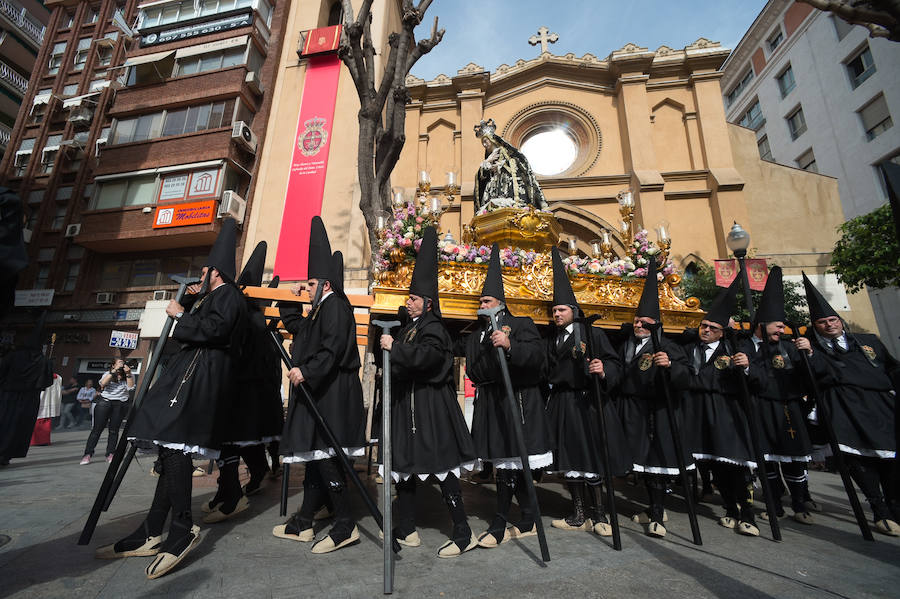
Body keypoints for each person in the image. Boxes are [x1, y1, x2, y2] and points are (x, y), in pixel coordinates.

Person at [94, 218, 246, 579]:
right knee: (168, 447)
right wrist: (193, 301)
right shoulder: (213, 296)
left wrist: (181, 315)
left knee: (174, 444)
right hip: (185, 376)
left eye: (206, 270)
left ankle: (182, 528)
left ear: (217, 273)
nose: (202, 274)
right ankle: (150, 530)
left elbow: (217, 331)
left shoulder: (230, 296)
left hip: (199, 380)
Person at [378, 227, 479, 557]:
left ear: (429, 303)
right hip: (408, 407)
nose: (408, 303)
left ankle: (463, 531)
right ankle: (407, 528)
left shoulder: (434, 327)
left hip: (431, 409)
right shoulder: (410, 329)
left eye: (414, 299)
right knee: (405, 469)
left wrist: (396, 349)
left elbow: (432, 358)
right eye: (408, 299)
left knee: (442, 469)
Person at [274, 217, 366, 554]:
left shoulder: (337, 307)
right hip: (323, 389)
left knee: (328, 456)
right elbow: (299, 326)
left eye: (311, 284)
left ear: (326, 285)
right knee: (318, 456)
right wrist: (289, 295)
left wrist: (306, 371)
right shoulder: (319, 309)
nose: (308, 289)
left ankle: (344, 525)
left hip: (335, 391)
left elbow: (331, 350)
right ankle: (305, 519)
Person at [455, 243, 552, 548]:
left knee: (515, 463)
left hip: (519, 402)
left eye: (486, 299)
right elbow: (475, 370)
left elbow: (538, 358)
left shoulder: (521, 324)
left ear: (500, 302)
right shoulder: (475, 336)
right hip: (491, 403)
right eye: (480, 300)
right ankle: (527, 515)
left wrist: (511, 347)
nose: (481, 303)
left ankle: (500, 520)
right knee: (504, 462)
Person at [802, 273, 899, 536]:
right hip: (843, 406)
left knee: (891, 457)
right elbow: (816, 377)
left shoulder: (869, 342)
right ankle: (878, 507)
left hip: (879, 404)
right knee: (857, 457)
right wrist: (809, 355)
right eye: (822, 322)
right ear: (816, 326)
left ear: (840, 321)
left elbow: (891, 369)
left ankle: (894, 504)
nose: (829, 325)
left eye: (832, 320)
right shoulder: (812, 349)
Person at [545, 248, 632, 537]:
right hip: (563, 404)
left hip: (589, 403)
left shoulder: (594, 334)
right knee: (571, 461)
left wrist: (603, 369)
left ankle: (600, 514)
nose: (557, 314)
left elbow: (614, 362)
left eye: (562, 310)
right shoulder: (553, 340)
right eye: (554, 311)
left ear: (574, 311)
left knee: (592, 458)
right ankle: (578, 513)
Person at [202, 242, 282, 522]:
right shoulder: (244, 314)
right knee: (231, 443)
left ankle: (233, 494)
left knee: (233, 442)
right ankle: (227, 492)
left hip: (246, 390)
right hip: (238, 387)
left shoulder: (254, 321)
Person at [613, 257, 691, 538]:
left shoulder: (668, 347)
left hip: (657, 409)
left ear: (656, 324)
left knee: (657, 463)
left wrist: (670, 367)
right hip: (631, 408)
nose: (639, 324)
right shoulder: (626, 346)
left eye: (645, 322)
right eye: (636, 320)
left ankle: (657, 513)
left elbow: (686, 375)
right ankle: (651, 506)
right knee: (642, 463)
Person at [738, 267, 819, 525]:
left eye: (783, 325)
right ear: (762, 325)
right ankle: (774, 504)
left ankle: (799, 502)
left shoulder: (788, 347)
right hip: (760, 408)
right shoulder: (744, 345)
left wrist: (809, 356)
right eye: (777, 325)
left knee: (794, 458)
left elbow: (806, 378)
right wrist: (749, 368)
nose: (782, 328)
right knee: (768, 461)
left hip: (788, 408)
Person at [684, 279, 760, 537]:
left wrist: (747, 367)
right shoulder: (690, 350)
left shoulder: (733, 351)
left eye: (711, 327)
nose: (705, 330)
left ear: (721, 332)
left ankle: (748, 514)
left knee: (735, 465)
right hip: (700, 412)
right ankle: (729, 509)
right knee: (715, 465)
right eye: (703, 325)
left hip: (727, 413)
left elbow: (757, 380)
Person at [0, 312, 53, 466]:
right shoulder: (44, 361)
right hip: (29, 399)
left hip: (8, 396)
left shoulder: (13, 356)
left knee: (4, 422)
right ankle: (6, 455)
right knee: (18, 427)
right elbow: (47, 382)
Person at [473, 119, 549, 213]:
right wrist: (487, 163)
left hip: (506, 183)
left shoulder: (503, 151)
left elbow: (515, 163)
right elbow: (481, 177)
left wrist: (501, 166)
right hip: (493, 186)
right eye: (483, 143)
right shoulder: (489, 157)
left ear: (491, 139)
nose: (484, 144)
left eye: (485, 141)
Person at [80, 360, 135, 465]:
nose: (121, 365)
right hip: (105, 403)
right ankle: (87, 454)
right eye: (118, 363)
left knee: (114, 431)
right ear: (113, 365)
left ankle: (110, 453)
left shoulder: (129, 374)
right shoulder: (108, 373)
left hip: (120, 404)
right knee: (97, 430)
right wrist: (114, 370)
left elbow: (131, 387)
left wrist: (127, 373)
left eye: (122, 363)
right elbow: (102, 384)